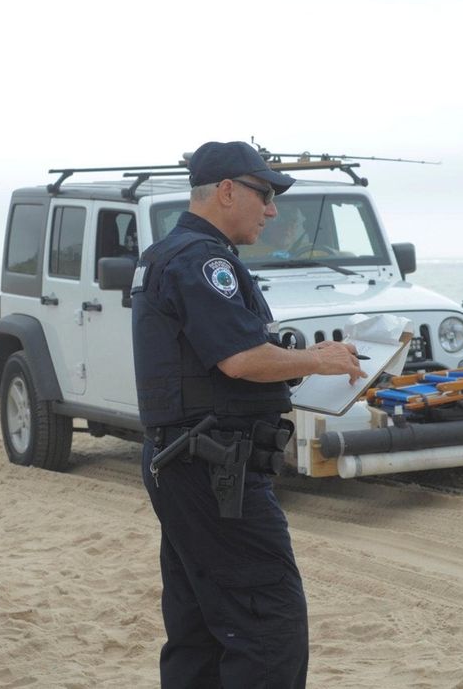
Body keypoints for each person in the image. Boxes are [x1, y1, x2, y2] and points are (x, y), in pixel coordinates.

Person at [131, 140, 366, 688]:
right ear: (228, 191)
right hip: (214, 470)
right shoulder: (201, 260)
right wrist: (320, 357)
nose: (272, 210)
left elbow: (220, 362)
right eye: (264, 194)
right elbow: (239, 360)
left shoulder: (169, 255)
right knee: (268, 625)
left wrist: (297, 366)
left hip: (189, 461)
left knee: (201, 628)